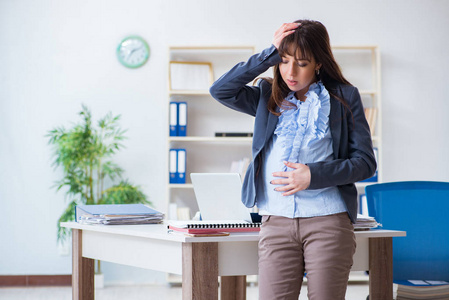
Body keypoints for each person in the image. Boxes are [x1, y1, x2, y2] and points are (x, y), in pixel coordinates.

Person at [210, 20, 377, 300]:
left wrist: (314, 175)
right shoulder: (267, 96)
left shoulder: (344, 97)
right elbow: (221, 90)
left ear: (319, 64)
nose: (290, 71)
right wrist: (269, 53)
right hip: (275, 221)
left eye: (301, 63)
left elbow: (365, 162)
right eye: (283, 61)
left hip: (328, 220)